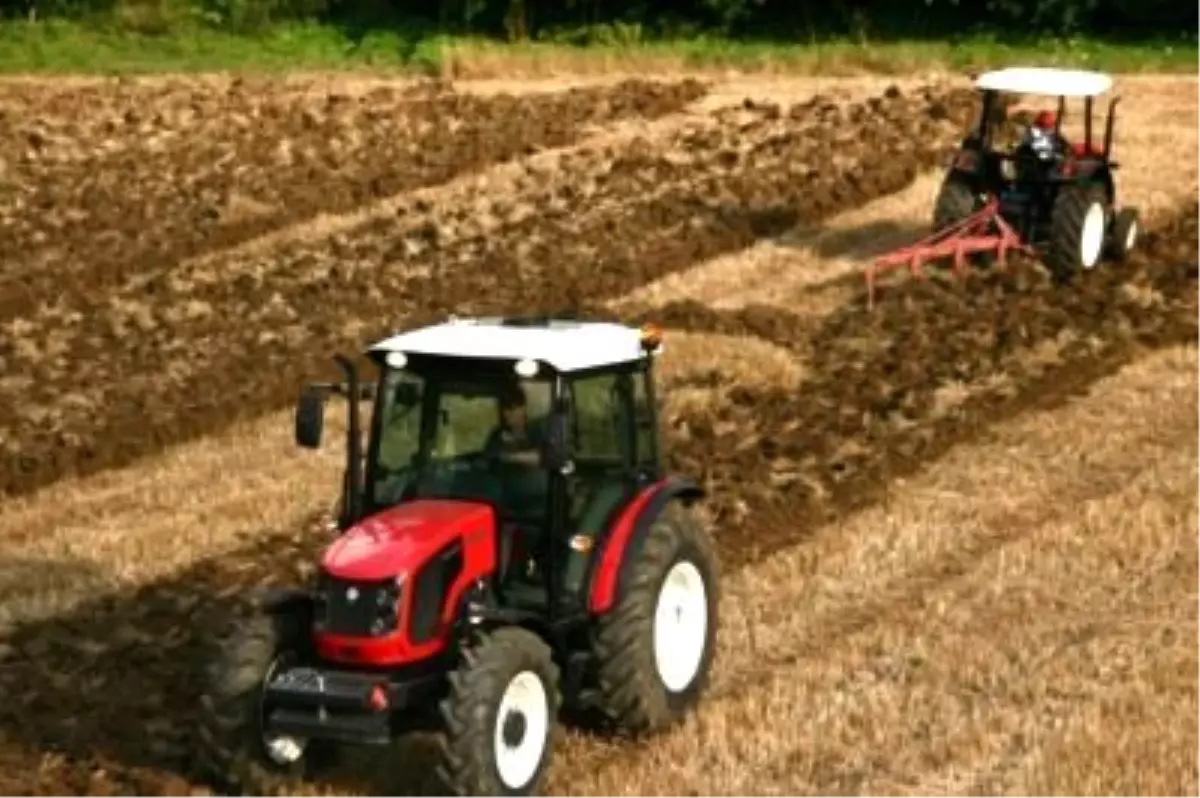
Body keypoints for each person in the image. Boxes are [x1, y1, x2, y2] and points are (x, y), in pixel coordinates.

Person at [483, 381, 544, 466]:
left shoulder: (536, 431)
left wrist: (511, 456)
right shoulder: (497, 435)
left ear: (523, 408)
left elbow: (544, 458)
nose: (506, 414)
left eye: (511, 408)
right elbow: (489, 460)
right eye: (504, 409)